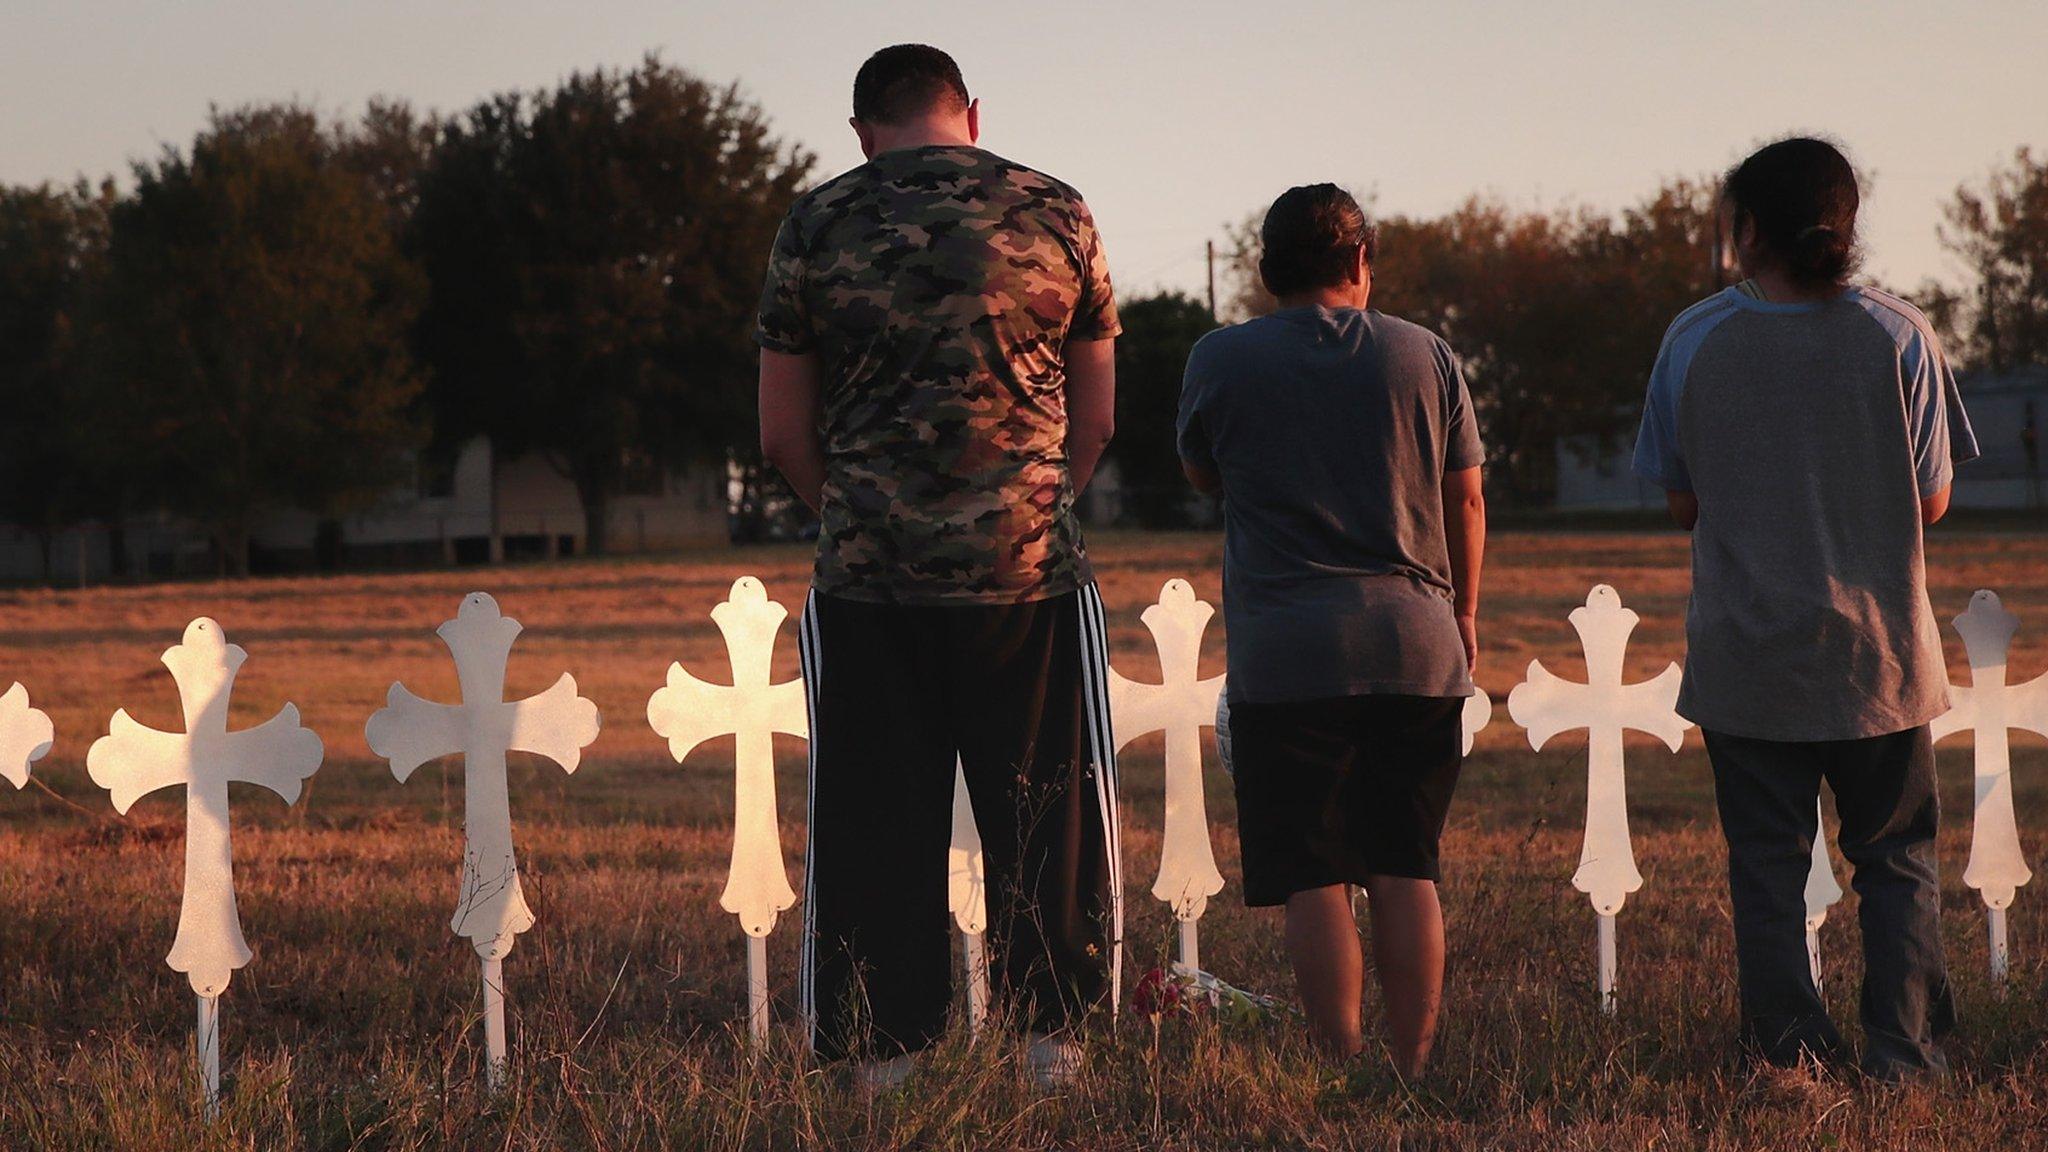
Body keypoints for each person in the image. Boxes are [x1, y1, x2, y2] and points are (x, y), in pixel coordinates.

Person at [755, 43, 1121, 1085]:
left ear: (862, 130)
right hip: (1030, 574)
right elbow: (1093, 420)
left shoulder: (815, 222)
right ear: (970, 113)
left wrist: (864, 517)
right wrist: (1023, 509)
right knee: (1046, 805)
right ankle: (1049, 1041)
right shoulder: (1059, 211)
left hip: (869, 578)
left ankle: (882, 1057)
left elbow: (782, 433)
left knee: (875, 819)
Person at [1631, 137, 1978, 1081]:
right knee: (1896, 861)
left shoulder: (1694, 338)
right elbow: (1934, 499)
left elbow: (1680, 500)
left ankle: (1788, 1056)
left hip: (1748, 657)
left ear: (1746, 233)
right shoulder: (1900, 333)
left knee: (1768, 869)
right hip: (1882, 658)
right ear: (1848, 225)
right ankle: (1904, 1056)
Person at [1176, 184, 1486, 1077]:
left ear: (1267, 273)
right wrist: (1461, 613)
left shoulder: (1221, 358)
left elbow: (1203, 473)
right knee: (1406, 863)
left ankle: (1340, 1062)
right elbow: (1465, 494)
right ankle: (1414, 1064)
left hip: (1289, 652)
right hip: (1415, 643)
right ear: (1361, 261)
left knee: (1313, 872)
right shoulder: (1425, 354)